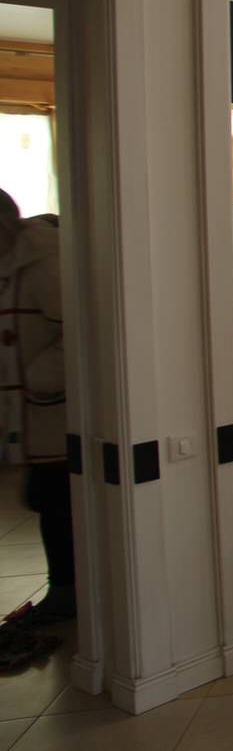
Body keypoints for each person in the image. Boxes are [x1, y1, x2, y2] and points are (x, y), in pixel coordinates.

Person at [0, 188, 72, 625]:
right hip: (32, 410)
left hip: (52, 406)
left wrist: (40, 380)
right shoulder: (13, 261)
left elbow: (77, 328)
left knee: (52, 496)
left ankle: (67, 592)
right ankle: (66, 589)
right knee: (47, 496)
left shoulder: (43, 259)